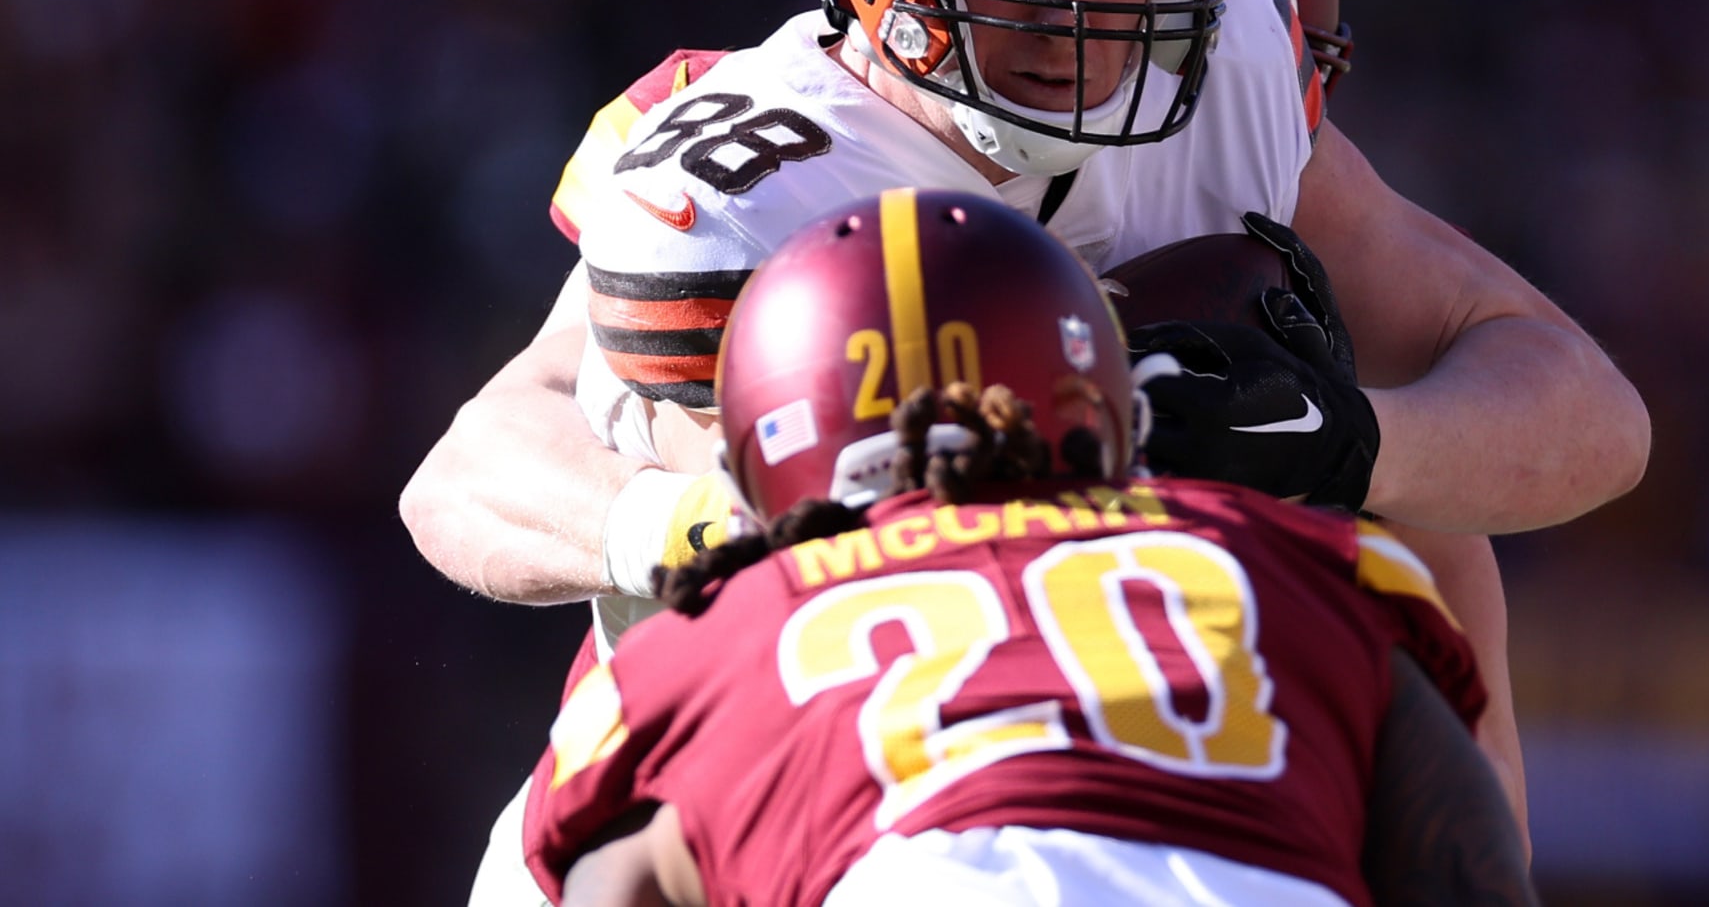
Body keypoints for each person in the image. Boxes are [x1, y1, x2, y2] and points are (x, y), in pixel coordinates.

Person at [402, 0, 1648, 896]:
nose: (1080, 4)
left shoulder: (1220, 66)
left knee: (1421, 532)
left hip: (1111, 741)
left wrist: (1346, 439)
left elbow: (1587, 412)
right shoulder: (750, 177)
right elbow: (467, 471)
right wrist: (704, 520)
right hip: (749, 801)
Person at [522, 188, 1538, 906]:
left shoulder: (705, 644)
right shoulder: (1293, 563)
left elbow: (616, 885)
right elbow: (1468, 871)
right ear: (1101, 398)